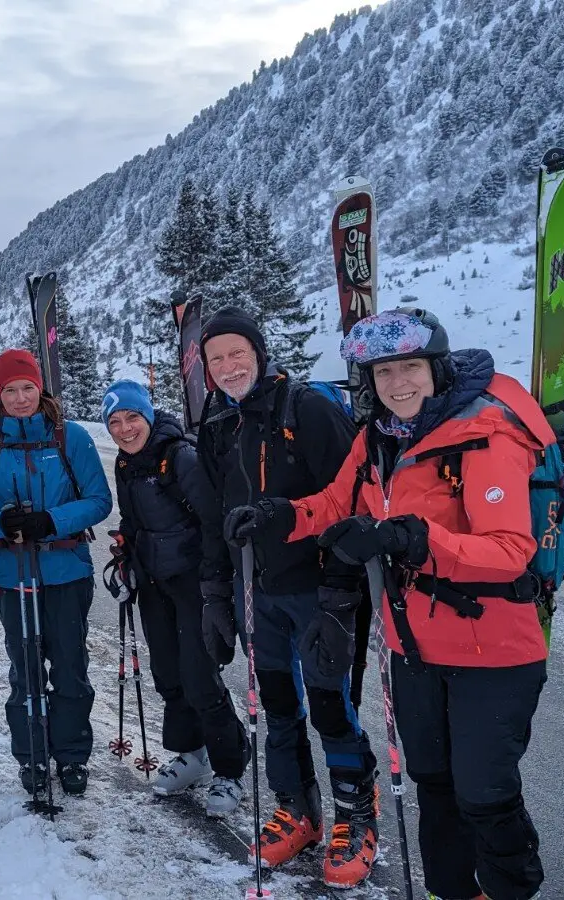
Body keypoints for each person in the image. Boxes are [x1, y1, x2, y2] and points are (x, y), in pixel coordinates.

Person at [231, 308, 552, 900]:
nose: (397, 383)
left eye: (409, 367)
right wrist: (282, 516)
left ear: (436, 368)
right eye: (383, 373)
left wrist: (413, 538)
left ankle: (511, 890)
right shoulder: (377, 440)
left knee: (483, 791)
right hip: (413, 647)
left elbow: (509, 550)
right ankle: (452, 891)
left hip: (496, 650)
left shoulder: (485, 434)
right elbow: (333, 503)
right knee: (432, 782)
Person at [194, 310, 379, 887]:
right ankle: (297, 808)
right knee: (277, 703)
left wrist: (340, 594)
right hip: (258, 591)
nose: (228, 367)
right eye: (216, 358)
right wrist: (215, 593)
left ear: (259, 351)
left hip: (318, 588)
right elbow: (214, 518)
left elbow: (355, 501)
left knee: (329, 705)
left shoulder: (309, 409)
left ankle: (356, 812)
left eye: (236, 353)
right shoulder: (217, 426)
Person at [0, 349, 112, 797]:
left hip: (67, 571)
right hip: (13, 575)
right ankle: (31, 757)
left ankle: (71, 757)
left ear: (40, 388)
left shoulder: (71, 438)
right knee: (24, 668)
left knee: (69, 667)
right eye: (10, 390)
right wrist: (0, 523)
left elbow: (99, 500)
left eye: (28, 387)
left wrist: (52, 521)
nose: (21, 397)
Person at [101, 380, 250, 815]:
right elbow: (131, 518)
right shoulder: (126, 465)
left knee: (201, 677)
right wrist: (125, 551)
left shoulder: (180, 455)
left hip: (193, 581)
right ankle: (192, 754)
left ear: (147, 415)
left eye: (131, 418)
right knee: (167, 673)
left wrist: (214, 585)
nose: (125, 429)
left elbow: (211, 520)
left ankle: (229, 769)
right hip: (153, 581)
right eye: (115, 422)